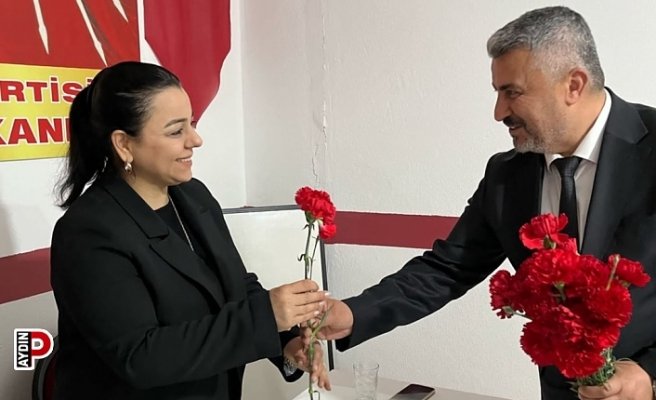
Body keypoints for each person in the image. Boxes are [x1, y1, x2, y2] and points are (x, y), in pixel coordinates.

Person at [314, 7, 656, 400]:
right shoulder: (506, 175)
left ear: (573, 85)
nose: (499, 113)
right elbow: (447, 268)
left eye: (512, 92)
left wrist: (649, 372)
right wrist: (353, 313)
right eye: (497, 93)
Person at [51, 61, 330, 400]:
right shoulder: (89, 232)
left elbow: (237, 284)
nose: (195, 140)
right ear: (124, 144)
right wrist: (265, 317)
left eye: (192, 124)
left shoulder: (194, 196)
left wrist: (286, 341)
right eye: (175, 131)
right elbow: (141, 357)